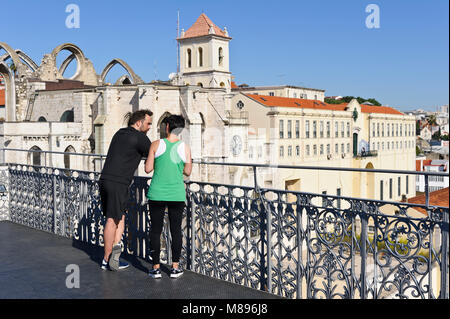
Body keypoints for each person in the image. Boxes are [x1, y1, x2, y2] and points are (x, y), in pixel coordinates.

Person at [99, 109, 153, 271]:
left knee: (119, 219)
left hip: (105, 179)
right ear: (139, 123)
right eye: (148, 123)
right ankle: (107, 260)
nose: (150, 126)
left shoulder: (120, 133)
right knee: (112, 220)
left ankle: (114, 256)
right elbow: (153, 156)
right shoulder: (140, 138)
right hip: (118, 183)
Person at [144, 115, 192, 279]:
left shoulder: (156, 144)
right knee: (176, 230)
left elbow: (148, 169)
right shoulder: (185, 147)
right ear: (181, 130)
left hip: (157, 193)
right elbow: (187, 172)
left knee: (155, 230)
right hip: (176, 194)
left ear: (167, 127)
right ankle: (175, 267)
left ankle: (156, 268)